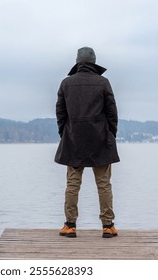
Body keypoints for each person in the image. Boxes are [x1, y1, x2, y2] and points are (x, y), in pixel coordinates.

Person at [54, 46, 120, 238]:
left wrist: (65, 134)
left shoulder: (66, 83)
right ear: (93, 62)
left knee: (73, 184)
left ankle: (70, 225)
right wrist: (110, 135)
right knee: (104, 184)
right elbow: (112, 113)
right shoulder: (103, 82)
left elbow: (60, 114)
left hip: (74, 139)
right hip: (100, 139)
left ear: (77, 62)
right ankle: (108, 226)